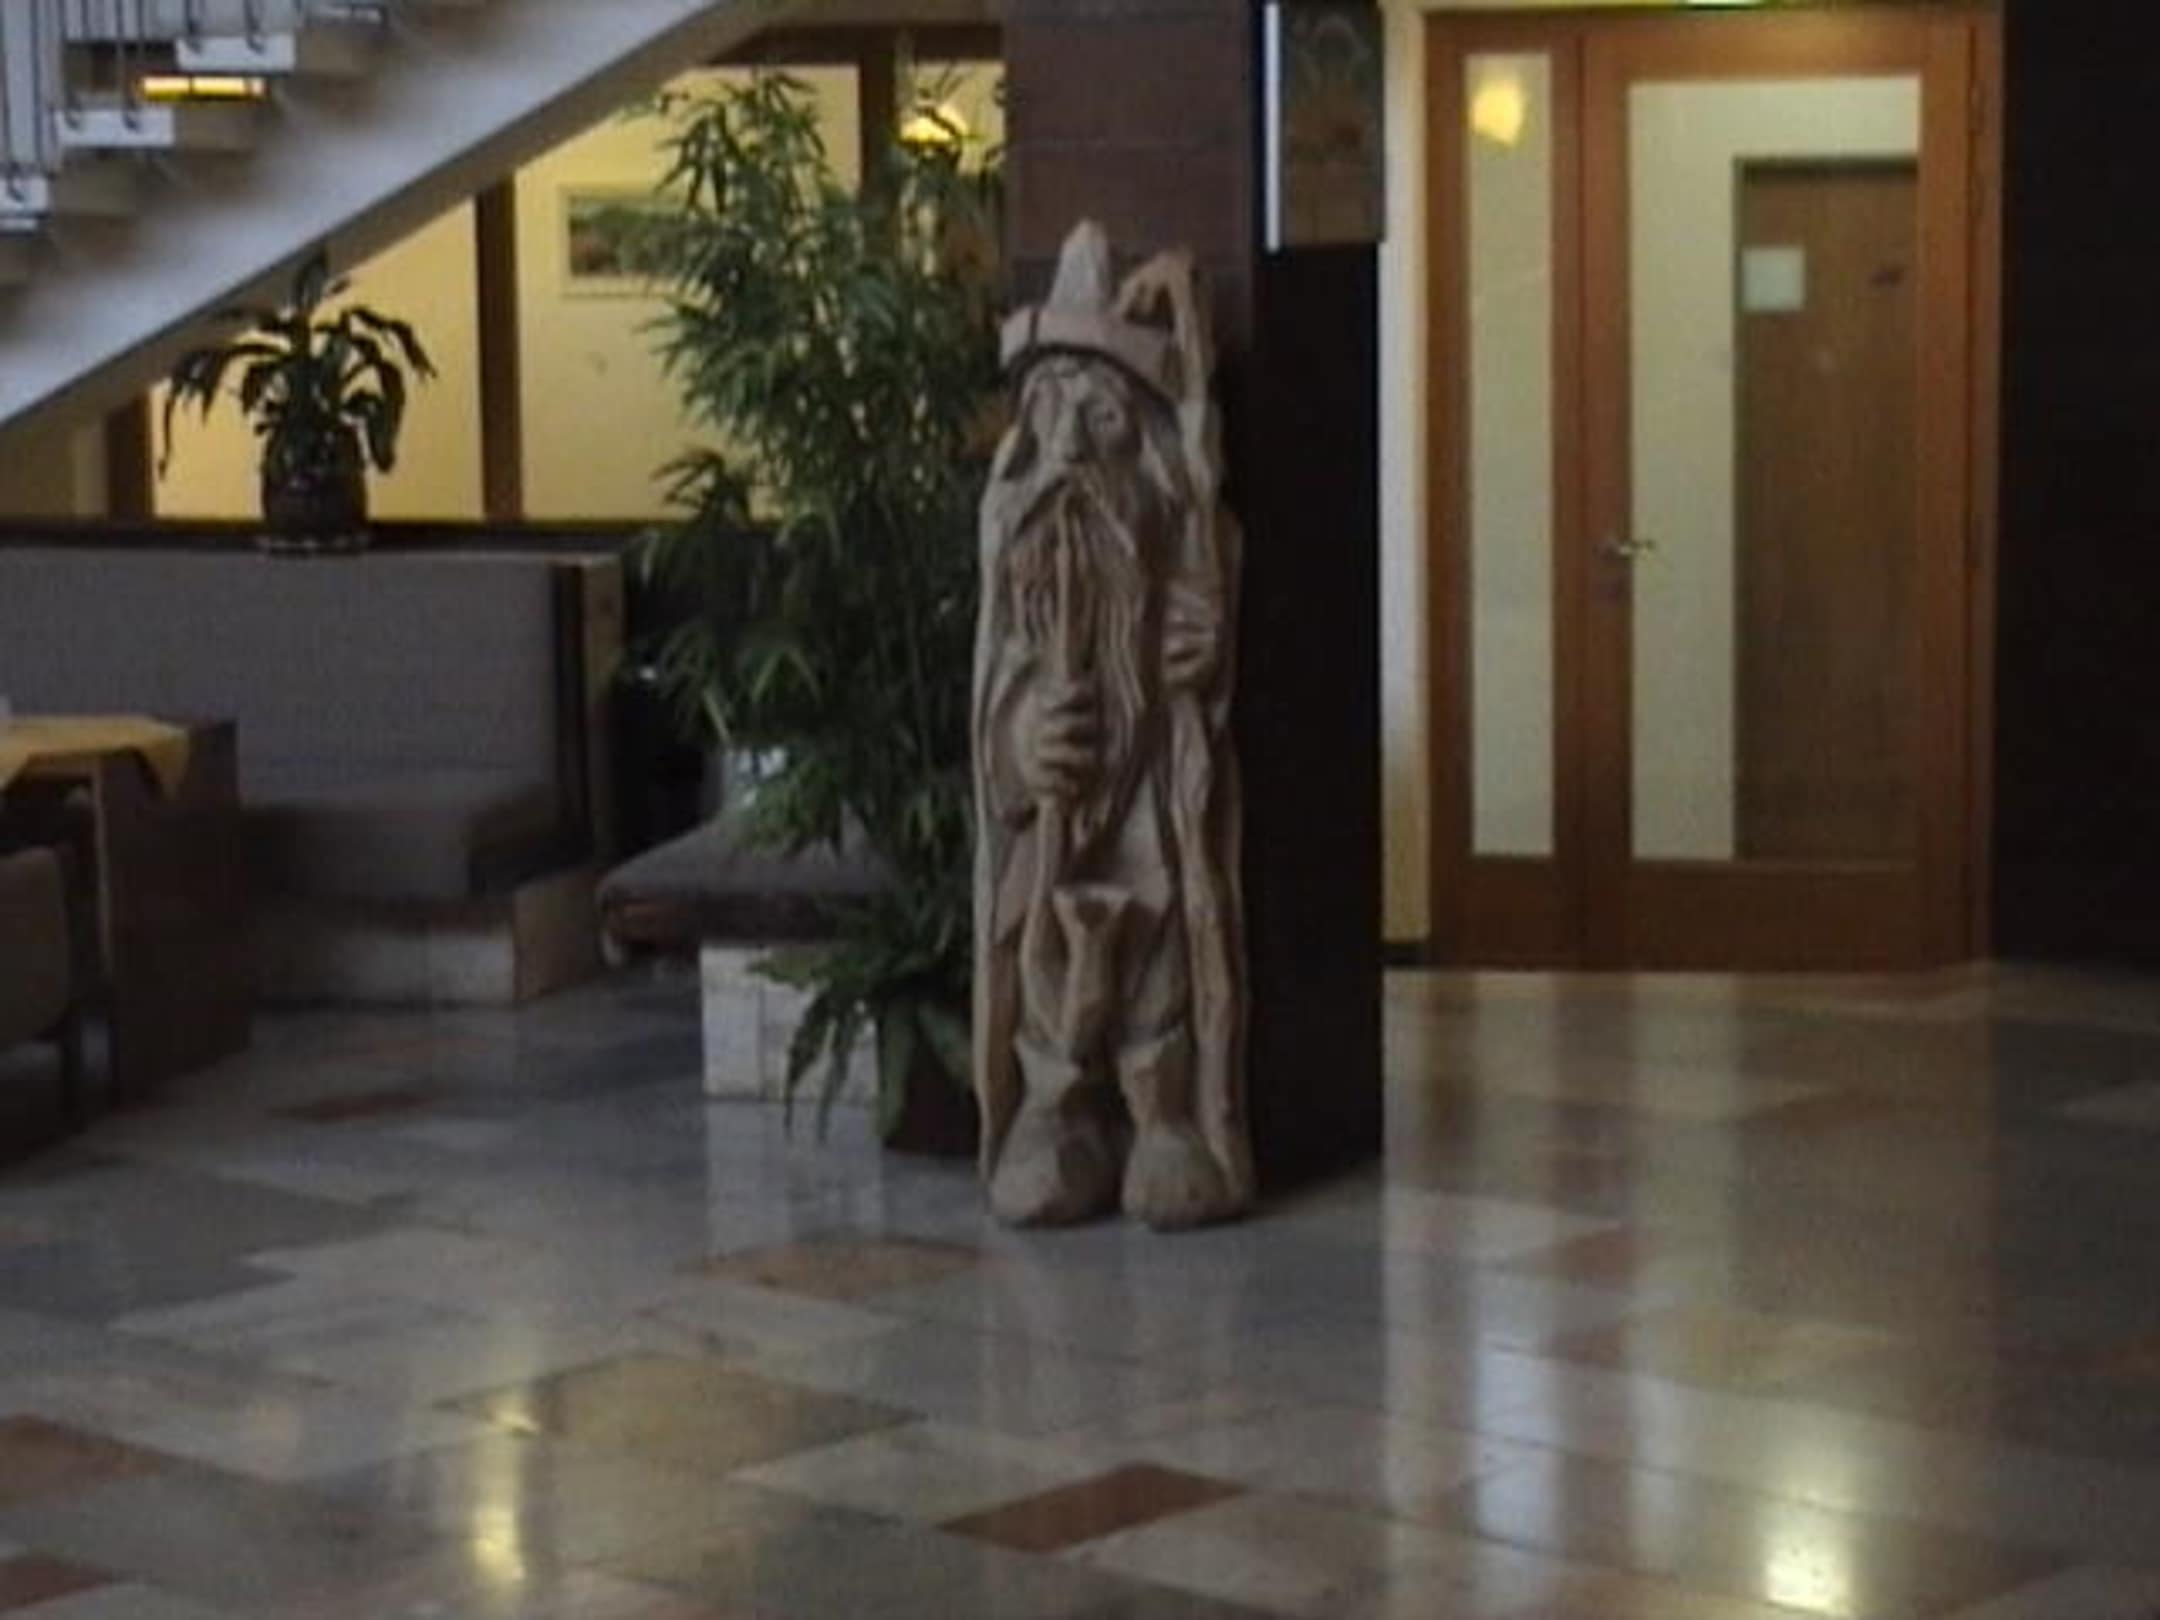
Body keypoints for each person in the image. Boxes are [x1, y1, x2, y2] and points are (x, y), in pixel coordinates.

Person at [972, 221, 1252, 1229]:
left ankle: (1161, 1111)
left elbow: (1207, 587)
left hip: (1144, 794)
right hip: (1058, 816)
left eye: (1099, 416)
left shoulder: (1173, 522)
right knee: (1044, 944)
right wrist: (1021, 740)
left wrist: (1200, 651)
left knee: (1165, 920)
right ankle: (1054, 1107)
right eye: (1052, 412)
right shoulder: (1018, 544)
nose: (1072, 449)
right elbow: (993, 684)